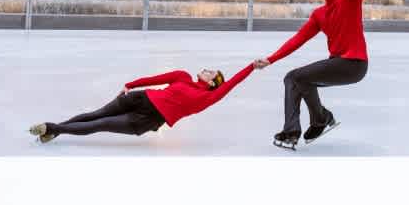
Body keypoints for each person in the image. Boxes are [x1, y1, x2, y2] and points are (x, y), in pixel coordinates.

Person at [253, 0, 397, 149]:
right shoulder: (319, 14)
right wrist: (271, 59)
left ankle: (298, 129)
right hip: (338, 64)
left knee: (294, 77)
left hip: (354, 64)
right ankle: (320, 119)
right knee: (300, 80)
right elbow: (297, 40)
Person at [28, 62, 265, 142]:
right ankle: (54, 130)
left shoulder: (208, 97)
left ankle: (51, 128)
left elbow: (233, 82)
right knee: (96, 114)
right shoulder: (182, 76)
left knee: (100, 125)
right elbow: (156, 78)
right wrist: (131, 84)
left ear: (214, 82)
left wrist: (251, 67)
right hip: (139, 99)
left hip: (147, 119)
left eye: (211, 72)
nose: (207, 70)